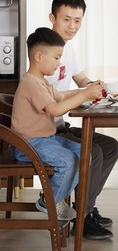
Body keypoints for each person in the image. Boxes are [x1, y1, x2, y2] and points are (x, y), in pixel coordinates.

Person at [46, 0, 118, 240]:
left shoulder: (68, 48)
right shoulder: (45, 51)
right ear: (52, 18)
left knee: (110, 147)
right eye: (66, 19)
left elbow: (81, 80)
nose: (72, 26)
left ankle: (85, 207)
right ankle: (83, 218)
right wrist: (84, 93)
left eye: (77, 20)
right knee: (93, 152)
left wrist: (96, 85)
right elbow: (50, 100)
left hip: (60, 125)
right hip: (45, 131)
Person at [11, 27, 104, 220]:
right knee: (68, 160)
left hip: (46, 139)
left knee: (84, 153)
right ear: (38, 57)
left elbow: (61, 96)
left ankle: (56, 196)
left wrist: (85, 90)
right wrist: (85, 95)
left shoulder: (41, 82)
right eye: (56, 57)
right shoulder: (31, 84)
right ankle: (50, 201)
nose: (59, 63)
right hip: (28, 144)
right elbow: (54, 109)